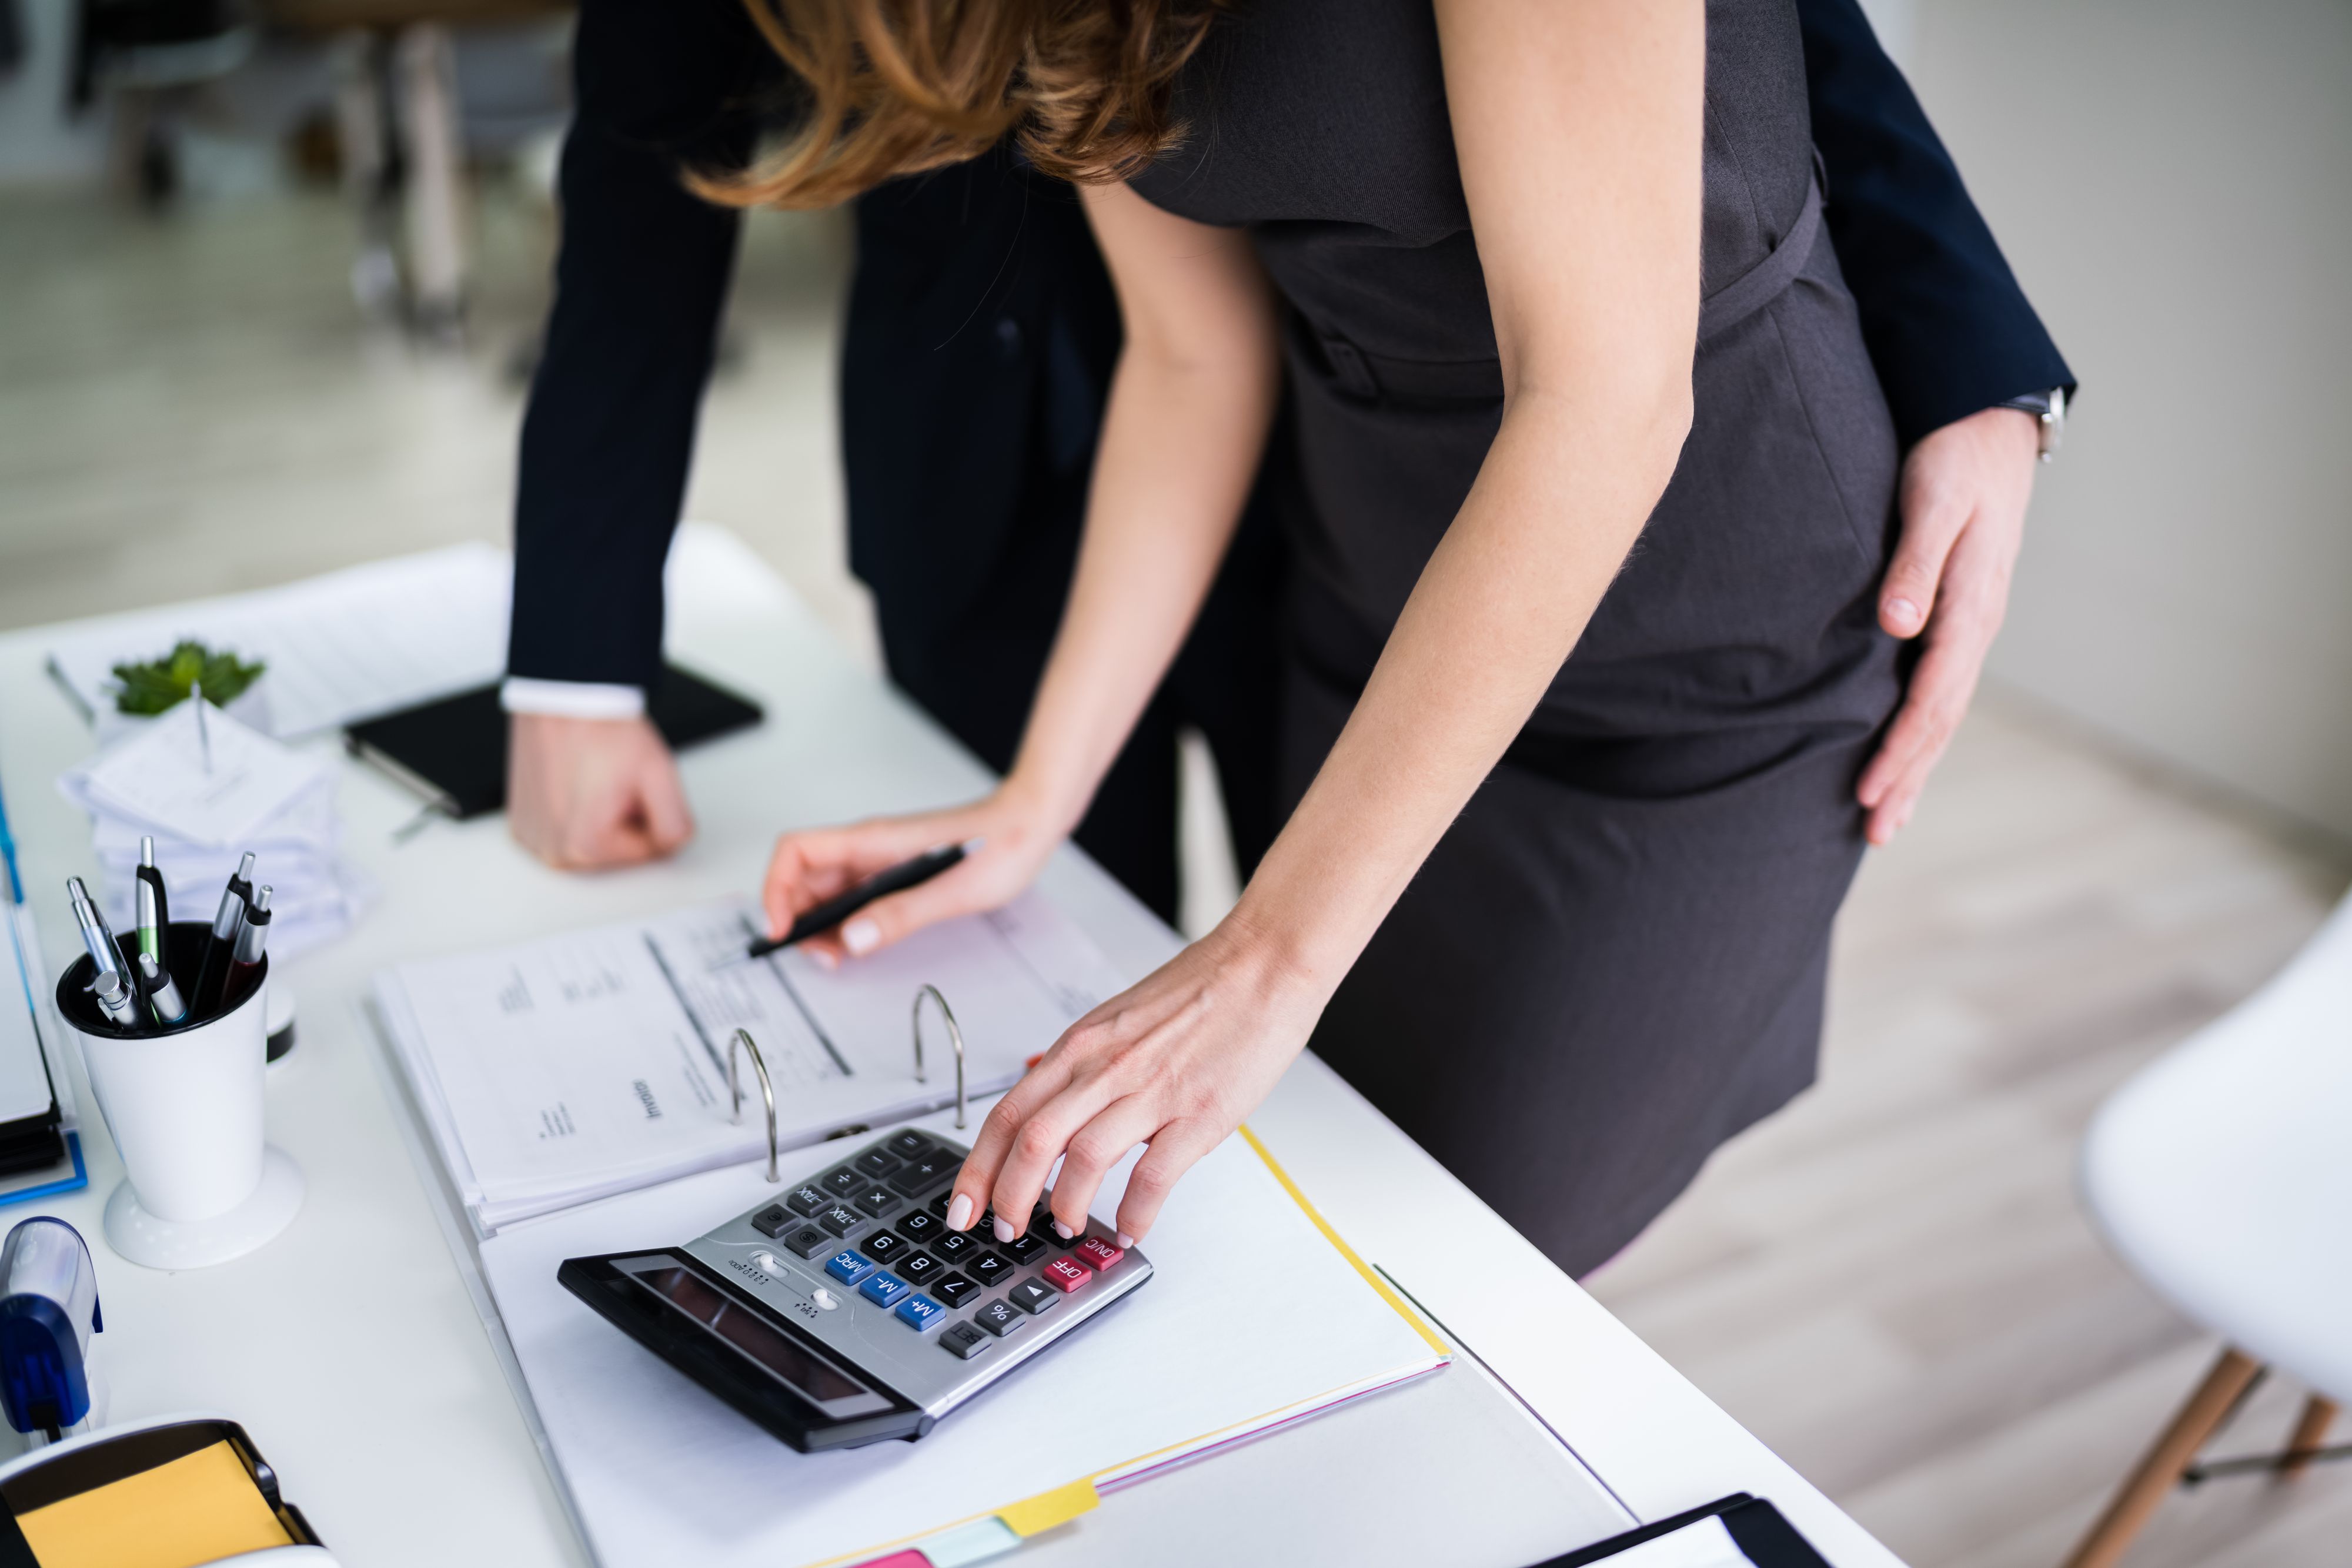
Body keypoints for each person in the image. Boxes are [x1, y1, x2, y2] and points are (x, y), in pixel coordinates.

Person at [502, 0, 2069, 918]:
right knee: (1008, 968)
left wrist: (1964, 335)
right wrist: (576, 666)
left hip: (1355, 452)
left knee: (1349, 1032)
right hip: (974, 448)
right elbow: (647, 157)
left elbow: (1728, 37)